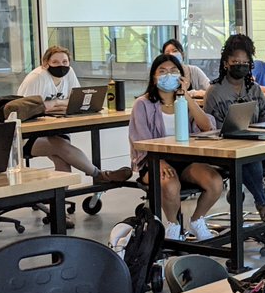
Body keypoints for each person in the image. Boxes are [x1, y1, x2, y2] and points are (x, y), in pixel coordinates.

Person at [17, 46, 132, 225]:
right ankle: (99, 174)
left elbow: (75, 100)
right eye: (55, 62)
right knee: (59, 146)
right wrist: (55, 104)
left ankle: (59, 210)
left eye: (64, 62)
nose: (61, 65)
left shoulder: (68, 73)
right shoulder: (37, 78)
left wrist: (55, 104)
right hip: (26, 135)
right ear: (45, 63)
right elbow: (23, 109)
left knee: (62, 159)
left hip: (54, 130)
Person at [202, 35, 265, 223]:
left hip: (256, 142)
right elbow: (211, 128)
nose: (240, 65)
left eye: (245, 62)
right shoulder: (214, 91)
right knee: (252, 161)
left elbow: (264, 118)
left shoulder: (254, 89)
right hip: (228, 149)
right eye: (235, 62)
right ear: (226, 64)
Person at [128, 54, 223, 241]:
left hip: (185, 159)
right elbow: (140, 139)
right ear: (154, 78)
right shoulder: (143, 104)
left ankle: (197, 220)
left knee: (215, 181)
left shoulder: (184, 102)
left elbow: (208, 127)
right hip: (153, 160)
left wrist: (186, 95)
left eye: (173, 71)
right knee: (170, 185)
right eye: (162, 71)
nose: (168, 75)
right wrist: (159, 162)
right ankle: (173, 224)